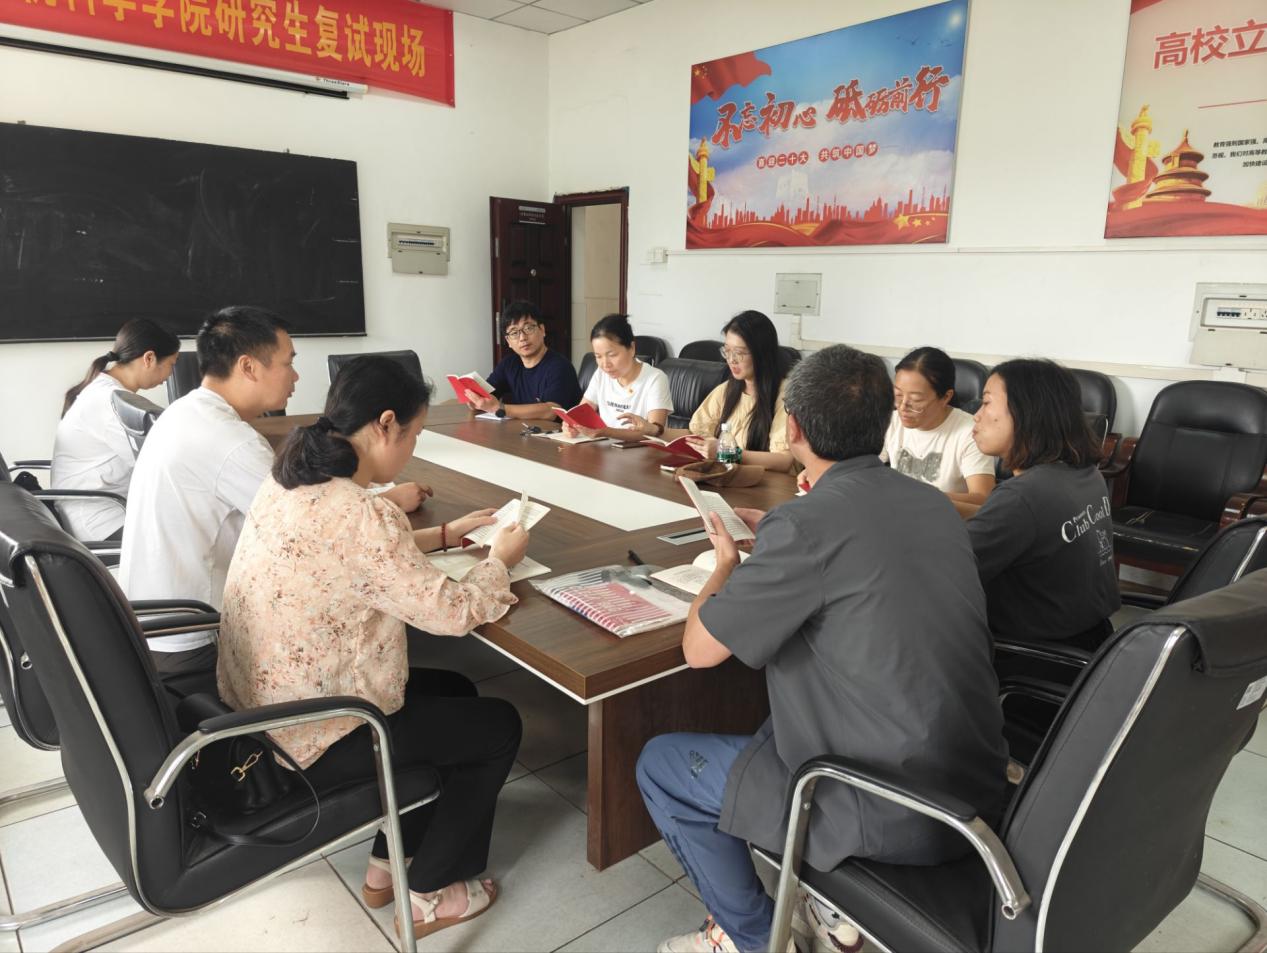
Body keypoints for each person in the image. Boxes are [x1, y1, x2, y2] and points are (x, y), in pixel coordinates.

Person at [637, 345, 1007, 953]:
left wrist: (725, 564)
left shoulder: (805, 525)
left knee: (661, 765)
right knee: (780, 715)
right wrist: (781, 535)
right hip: (972, 784)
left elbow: (699, 650)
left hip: (886, 804)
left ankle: (754, 938)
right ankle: (825, 909)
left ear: (795, 429)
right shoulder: (934, 504)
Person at [218, 356, 527, 941]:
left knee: (457, 690)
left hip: (263, 711)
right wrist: (499, 561)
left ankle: (390, 860)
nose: (412, 447)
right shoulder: (360, 512)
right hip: (317, 732)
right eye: (414, 433)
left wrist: (443, 535)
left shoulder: (290, 476)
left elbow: (355, 555)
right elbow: (453, 614)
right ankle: (431, 891)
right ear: (385, 424)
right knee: (499, 726)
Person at [962, 358, 1120, 648]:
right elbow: (1027, 522)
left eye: (986, 403)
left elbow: (950, 570)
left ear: (1025, 412)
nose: (976, 416)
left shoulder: (1023, 495)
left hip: (1032, 653)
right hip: (1092, 638)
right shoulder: (1084, 473)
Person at [51, 318, 181, 541]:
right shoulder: (110, 400)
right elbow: (158, 463)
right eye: (172, 364)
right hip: (100, 522)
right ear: (149, 358)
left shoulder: (106, 391)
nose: (171, 374)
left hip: (103, 510)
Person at [881, 346, 996, 507]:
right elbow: (863, 471)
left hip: (947, 518)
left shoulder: (970, 432)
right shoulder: (891, 422)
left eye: (916, 400)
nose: (902, 407)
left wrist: (921, 497)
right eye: (898, 395)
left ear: (946, 397)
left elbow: (983, 498)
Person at [685, 310, 795, 472]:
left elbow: (784, 460)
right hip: (729, 477)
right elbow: (696, 431)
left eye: (739, 353)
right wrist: (656, 431)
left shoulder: (785, 395)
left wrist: (729, 453)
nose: (731, 360)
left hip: (768, 482)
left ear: (761, 354)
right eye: (727, 351)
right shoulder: (727, 389)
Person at [463, 300, 581, 419]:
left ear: (542, 330)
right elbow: (488, 395)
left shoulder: (560, 367)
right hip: (523, 429)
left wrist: (500, 408)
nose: (522, 338)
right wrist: (477, 401)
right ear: (508, 341)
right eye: (514, 333)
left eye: (528, 328)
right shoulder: (509, 364)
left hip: (556, 430)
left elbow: (551, 411)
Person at [562, 313, 671, 440]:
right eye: (598, 356)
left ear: (632, 348)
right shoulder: (601, 374)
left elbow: (654, 433)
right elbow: (581, 414)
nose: (605, 364)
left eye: (612, 355)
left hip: (642, 450)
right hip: (603, 447)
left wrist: (606, 432)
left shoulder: (655, 379)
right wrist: (572, 425)